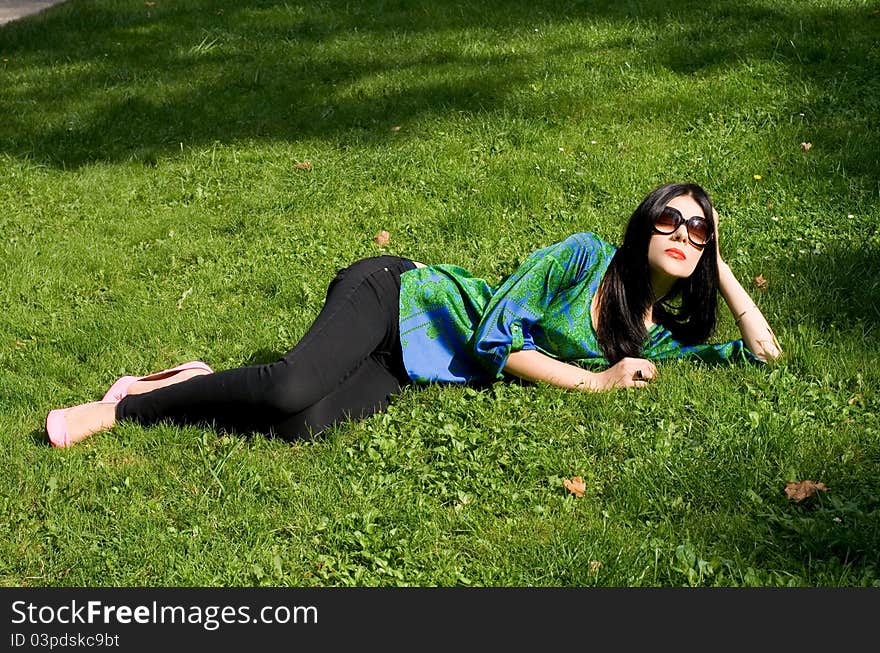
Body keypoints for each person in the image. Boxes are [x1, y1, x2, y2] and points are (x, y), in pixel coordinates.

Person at [46, 182, 781, 448]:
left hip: (413, 363)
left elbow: (762, 357)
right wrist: (595, 384)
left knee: (297, 426)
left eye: (700, 228)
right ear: (644, 223)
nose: (686, 233)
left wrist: (724, 270)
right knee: (288, 385)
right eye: (674, 221)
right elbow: (495, 338)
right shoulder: (583, 257)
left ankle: (187, 381)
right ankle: (118, 411)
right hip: (397, 297)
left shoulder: (664, 334)